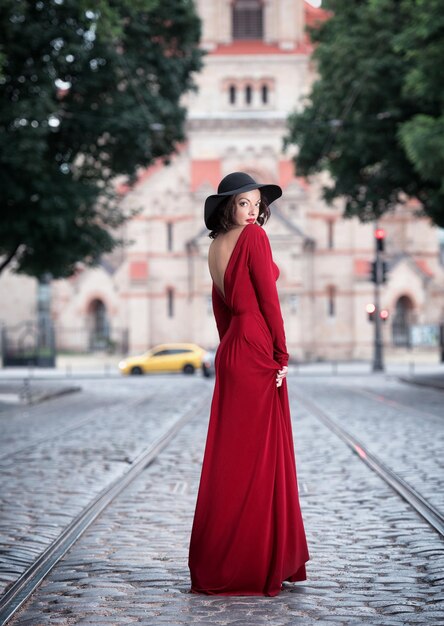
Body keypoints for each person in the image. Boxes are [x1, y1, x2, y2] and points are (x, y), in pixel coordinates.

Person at [188, 172, 309, 596]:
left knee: (232, 457)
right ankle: (255, 561)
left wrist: (231, 352)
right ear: (228, 206)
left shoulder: (214, 248)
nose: (254, 211)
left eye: (257, 203)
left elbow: (221, 310)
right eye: (245, 203)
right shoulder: (254, 239)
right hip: (257, 348)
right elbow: (269, 301)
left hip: (233, 350)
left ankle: (224, 556)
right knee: (261, 458)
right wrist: (280, 351)